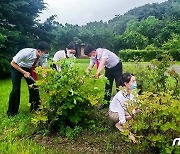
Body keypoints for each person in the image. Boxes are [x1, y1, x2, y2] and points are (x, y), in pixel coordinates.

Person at [7, 41, 50, 116]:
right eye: (45, 52)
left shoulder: (43, 57)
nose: (46, 54)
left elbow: (44, 70)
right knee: (16, 89)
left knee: (34, 87)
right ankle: (12, 112)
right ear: (39, 51)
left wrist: (44, 80)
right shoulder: (25, 52)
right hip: (17, 67)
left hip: (29, 68)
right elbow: (12, 63)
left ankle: (35, 108)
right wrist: (24, 72)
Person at [109, 73, 140, 142]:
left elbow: (138, 104)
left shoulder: (134, 91)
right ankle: (118, 124)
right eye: (133, 81)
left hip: (126, 109)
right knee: (131, 115)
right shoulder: (120, 95)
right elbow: (121, 114)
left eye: (135, 81)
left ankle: (128, 119)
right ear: (126, 83)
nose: (135, 83)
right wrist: (130, 134)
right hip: (114, 113)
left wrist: (135, 110)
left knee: (137, 111)